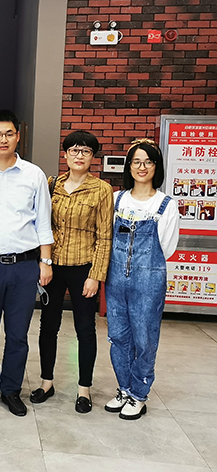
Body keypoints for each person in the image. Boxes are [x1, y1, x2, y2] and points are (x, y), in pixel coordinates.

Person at [0, 109, 53, 417]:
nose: (3, 139)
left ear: (18, 137)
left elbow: (43, 220)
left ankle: (11, 389)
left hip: (24, 266)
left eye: (9, 134)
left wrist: (46, 261)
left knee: (17, 334)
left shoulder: (34, 175)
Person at [31, 131, 113, 413]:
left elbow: (105, 236)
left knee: (85, 329)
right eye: (74, 150)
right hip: (53, 267)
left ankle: (84, 389)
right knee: (48, 326)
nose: (79, 155)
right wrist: (42, 261)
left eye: (86, 151)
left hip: (84, 268)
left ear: (93, 157)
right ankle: (46, 383)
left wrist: (96, 275)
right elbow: (41, 224)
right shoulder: (52, 184)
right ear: (65, 154)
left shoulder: (101, 190)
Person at [104, 139, 179, 420]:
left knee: (144, 338)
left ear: (156, 166)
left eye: (148, 161)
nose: (142, 167)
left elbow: (166, 248)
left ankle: (139, 394)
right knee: (118, 337)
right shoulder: (117, 199)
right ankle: (124, 389)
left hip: (148, 281)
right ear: (129, 166)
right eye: (136, 161)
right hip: (115, 280)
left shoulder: (166, 205)